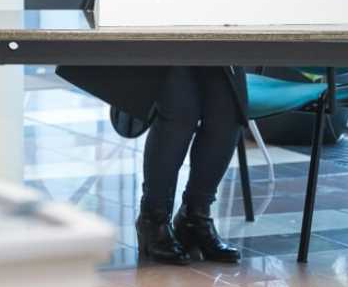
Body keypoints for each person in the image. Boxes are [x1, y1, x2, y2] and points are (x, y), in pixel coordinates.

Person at [57, 65, 244, 265]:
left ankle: (195, 216)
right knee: (180, 110)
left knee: (229, 112)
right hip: (164, 46)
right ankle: (153, 218)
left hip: (216, 43)